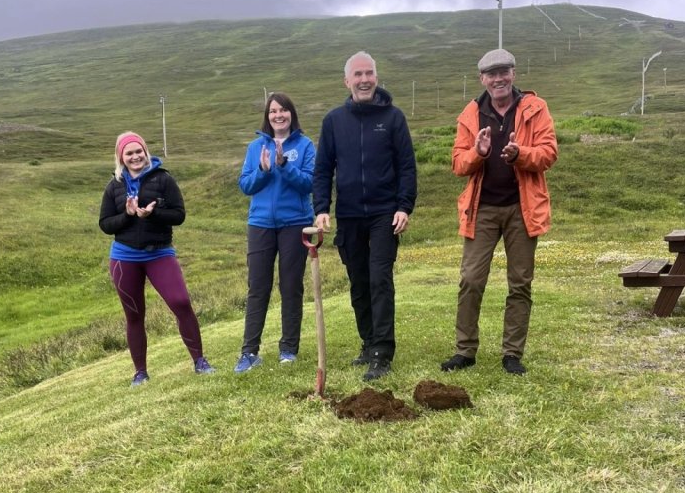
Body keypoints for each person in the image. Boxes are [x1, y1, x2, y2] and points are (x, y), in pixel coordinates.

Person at [441, 48, 558, 376]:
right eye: (491, 74)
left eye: (504, 72)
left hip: (523, 208)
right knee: (470, 279)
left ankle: (512, 354)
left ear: (513, 74)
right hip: (482, 209)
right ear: (482, 79)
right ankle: (465, 351)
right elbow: (458, 164)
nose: (498, 79)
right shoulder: (470, 114)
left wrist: (521, 154)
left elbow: (549, 153)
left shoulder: (536, 107)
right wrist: (478, 153)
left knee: (520, 282)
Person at [313, 51, 417, 382]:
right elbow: (323, 169)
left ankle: (382, 352)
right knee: (359, 281)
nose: (364, 79)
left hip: (385, 213)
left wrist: (404, 206)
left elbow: (406, 166)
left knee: (379, 279)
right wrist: (321, 208)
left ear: (376, 77)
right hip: (349, 214)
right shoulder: (333, 121)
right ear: (347, 81)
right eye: (357, 74)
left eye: (369, 73)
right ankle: (369, 342)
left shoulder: (393, 118)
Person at [99, 131, 215, 386]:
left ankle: (200, 361)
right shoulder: (114, 186)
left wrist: (152, 214)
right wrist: (128, 215)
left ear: (145, 152)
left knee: (181, 302)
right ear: (121, 157)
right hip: (124, 257)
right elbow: (105, 224)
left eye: (138, 151)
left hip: (160, 252)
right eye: (129, 153)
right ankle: (140, 372)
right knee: (134, 314)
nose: (135, 156)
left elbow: (179, 215)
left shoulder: (163, 179)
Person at [234, 92, 316, 373]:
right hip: (260, 224)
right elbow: (246, 185)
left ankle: (288, 349)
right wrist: (264, 169)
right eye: (273, 111)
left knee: (291, 287)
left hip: (295, 223)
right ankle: (249, 352)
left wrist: (285, 166)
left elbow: (309, 184)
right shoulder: (256, 147)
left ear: (291, 114)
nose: (278, 115)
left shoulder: (305, 145)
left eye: (283, 110)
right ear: (267, 116)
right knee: (258, 288)